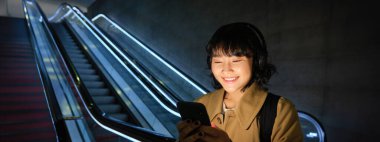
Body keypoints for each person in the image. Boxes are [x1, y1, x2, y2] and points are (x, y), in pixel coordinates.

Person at [177, 22, 303, 142]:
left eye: (236, 61)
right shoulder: (201, 104)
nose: (226, 70)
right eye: (218, 62)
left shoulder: (279, 111)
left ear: (257, 61)